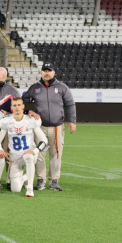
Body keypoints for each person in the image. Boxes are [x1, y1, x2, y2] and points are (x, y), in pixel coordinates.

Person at [23, 63, 76, 191]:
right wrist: (29, 110)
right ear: (41, 72)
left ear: (54, 72)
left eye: (49, 71)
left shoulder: (62, 87)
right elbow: (25, 100)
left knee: (56, 154)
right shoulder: (34, 88)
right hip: (39, 128)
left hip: (57, 127)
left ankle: (54, 181)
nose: (47, 73)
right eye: (44, 70)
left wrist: (72, 121)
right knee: (39, 154)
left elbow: (70, 104)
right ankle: (41, 180)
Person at [0, 97, 49, 197]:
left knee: (28, 156)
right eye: (14, 105)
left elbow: (44, 140)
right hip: (15, 157)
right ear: (11, 107)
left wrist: (35, 151)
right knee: (15, 189)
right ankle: (25, 177)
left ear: (23, 106)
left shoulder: (31, 120)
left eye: (19, 105)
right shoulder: (6, 122)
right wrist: (0, 149)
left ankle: (30, 189)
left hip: (29, 155)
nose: (17, 107)